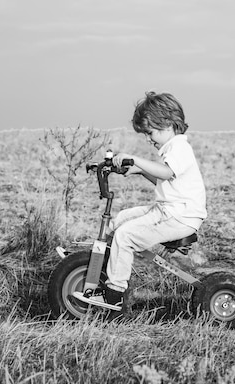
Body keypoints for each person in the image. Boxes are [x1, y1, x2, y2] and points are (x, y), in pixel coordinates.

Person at [75, 91, 207, 311]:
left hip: (179, 216)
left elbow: (166, 173)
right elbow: (163, 177)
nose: (148, 139)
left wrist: (137, 160)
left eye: (150, 132)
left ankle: (114, 294)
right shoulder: (172, 148)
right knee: (121, 220)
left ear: (167, 123)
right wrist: (137, 171)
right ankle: (105, 267)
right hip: (169, 211)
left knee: (125, 236)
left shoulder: (179, 147)